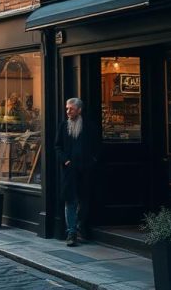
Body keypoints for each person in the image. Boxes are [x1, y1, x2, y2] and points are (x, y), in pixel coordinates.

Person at [54, 97, 98, 246]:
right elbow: (57, 147)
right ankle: (71, 232)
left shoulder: (89, 126)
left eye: (71, 109)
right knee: (70, 201)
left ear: (79, 110)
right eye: (67, 108)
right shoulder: (63, 126)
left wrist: (92, 161)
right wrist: (65, 160)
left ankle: (79, 225)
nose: (68, 111)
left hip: (86, 170)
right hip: (69, 171)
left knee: (85, 201)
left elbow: (97, 146)